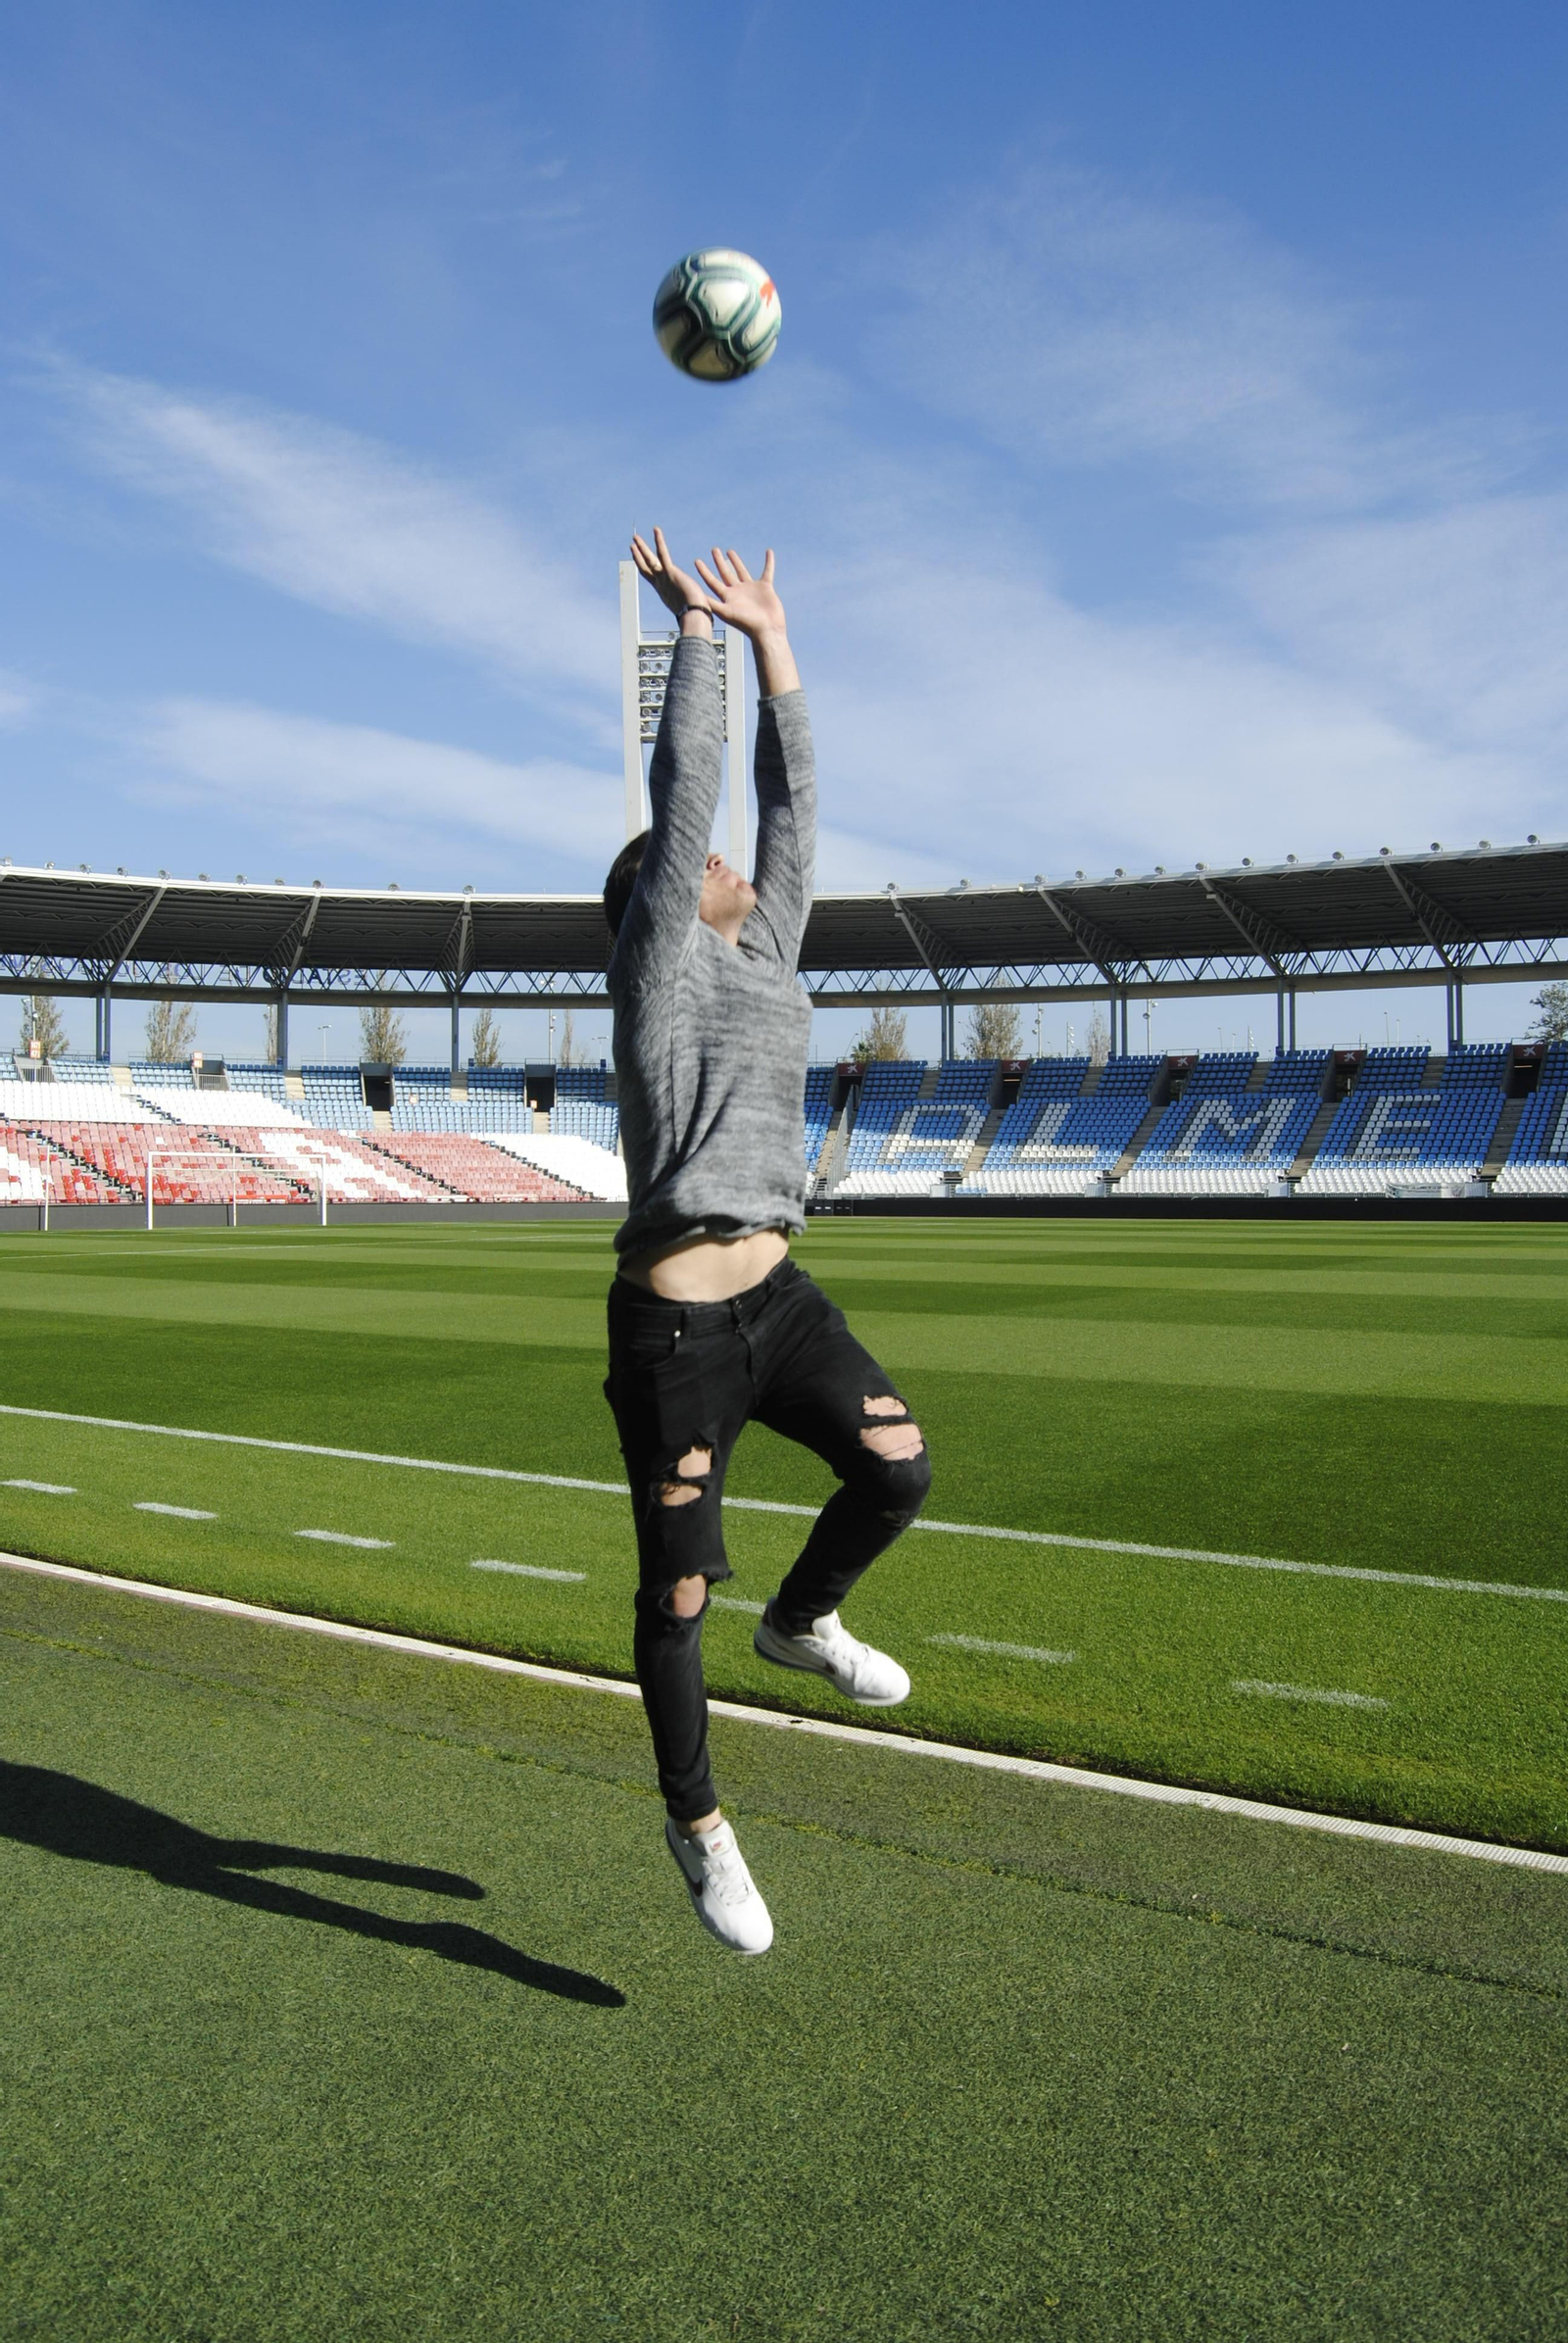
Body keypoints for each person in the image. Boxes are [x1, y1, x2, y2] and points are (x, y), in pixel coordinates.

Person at [602, 528, 931, 1955]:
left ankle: (800, 1624)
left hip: (781, 1293)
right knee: (673, 1594)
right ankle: (700, 1830)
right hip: (677, 1329)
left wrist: (774, 637)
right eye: (696, 867)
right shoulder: (662, 961)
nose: (729, 861)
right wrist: (695, 638)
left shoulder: (769, 950)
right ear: (658, 907)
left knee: (900, 1468)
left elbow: (792, 812)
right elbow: (693, 804)